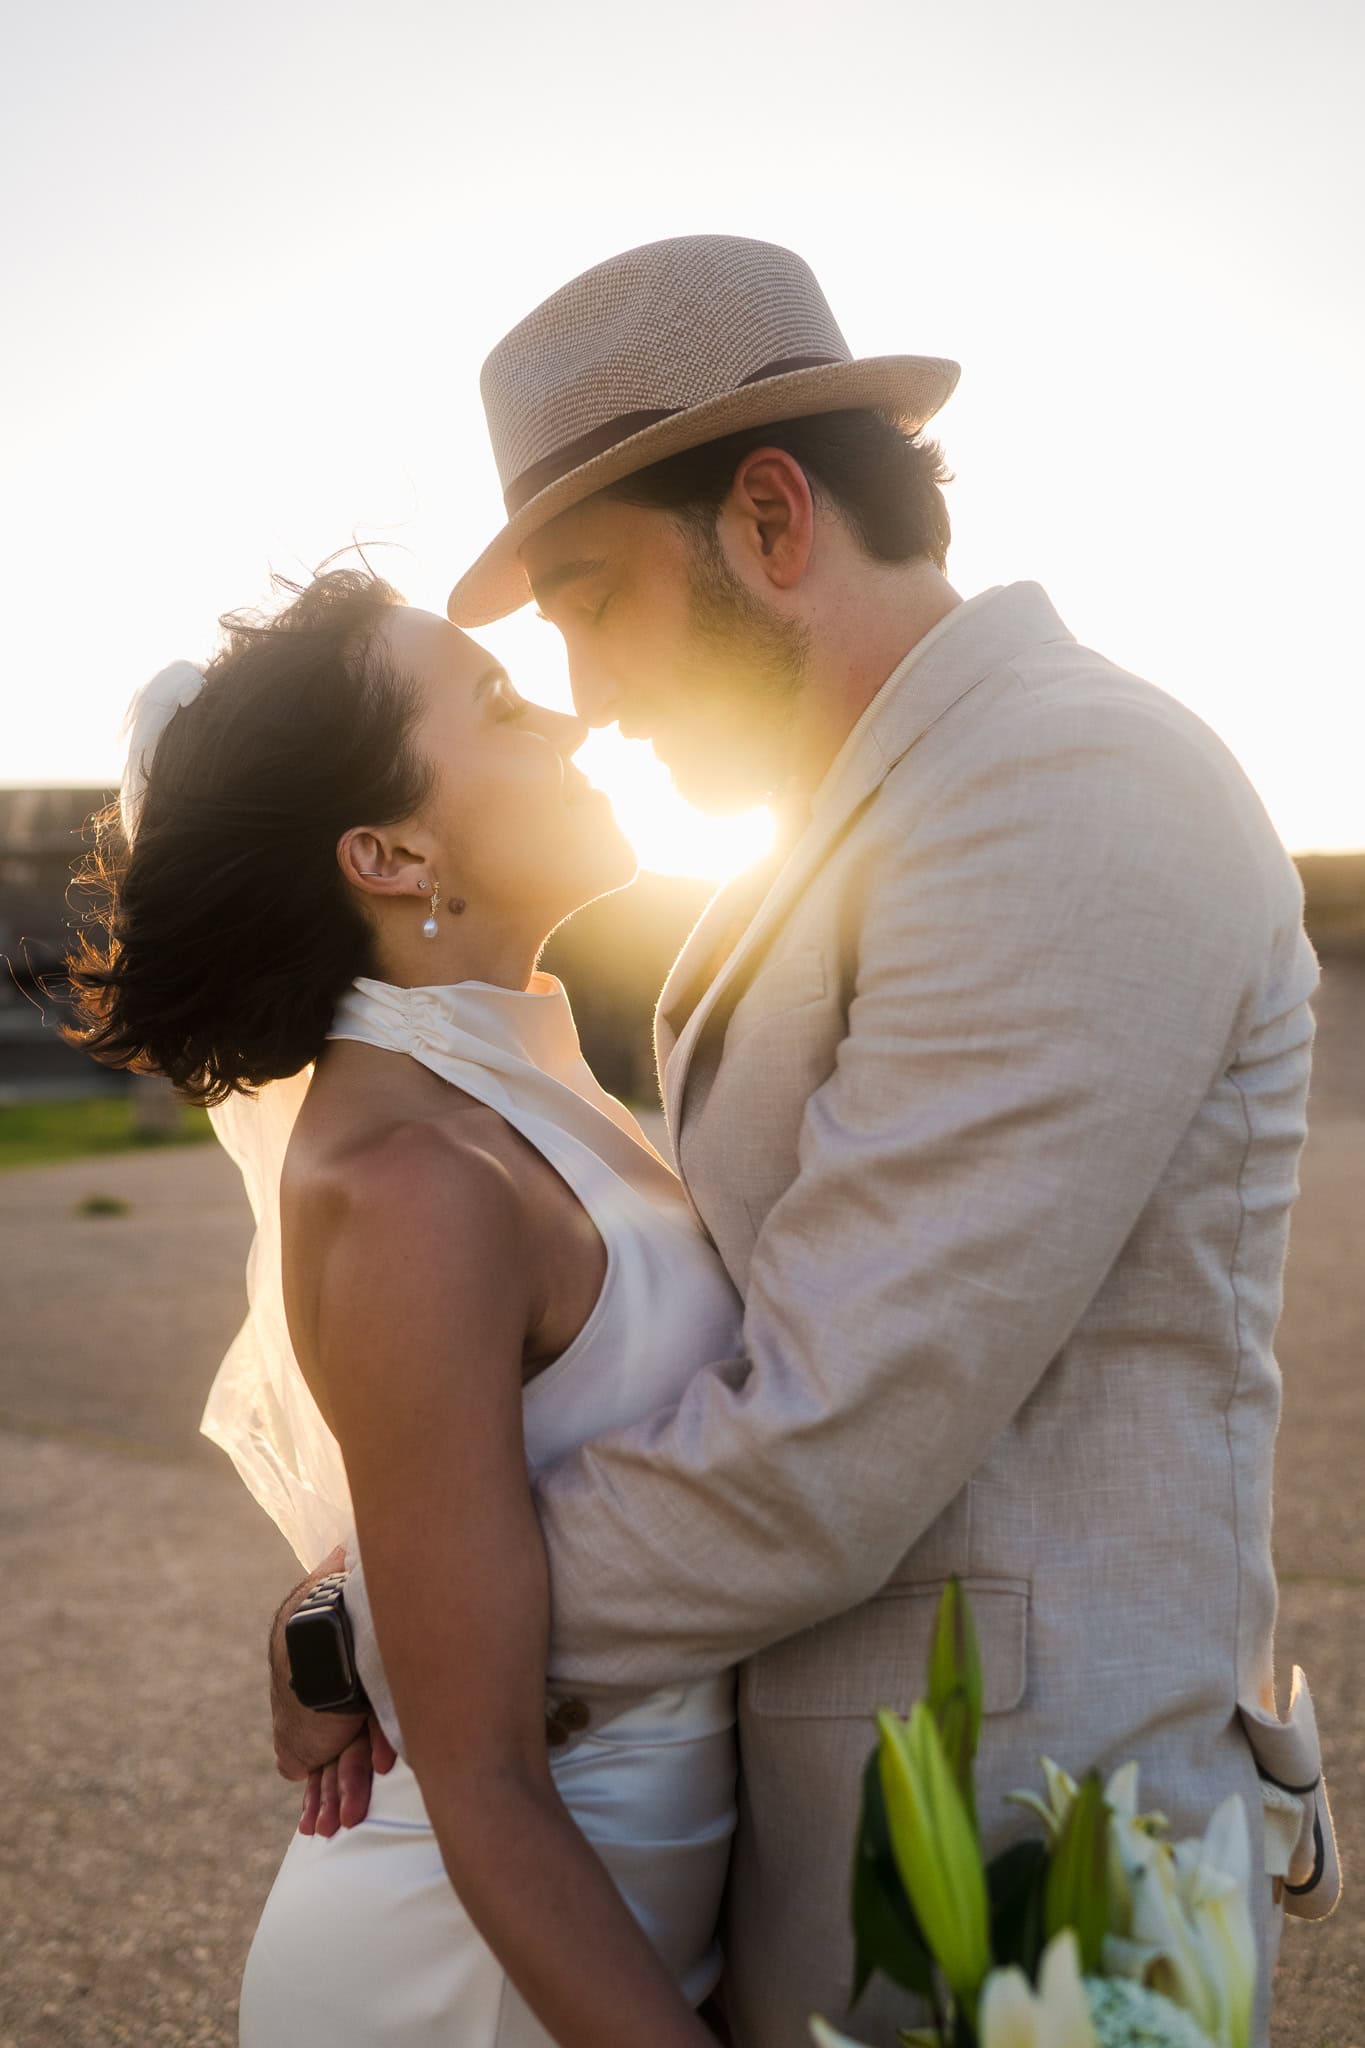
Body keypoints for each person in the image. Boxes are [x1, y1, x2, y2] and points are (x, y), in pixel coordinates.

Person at [290, 235, 1340, 2047]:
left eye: (594, 604)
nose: (592, 700)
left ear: (772, 521)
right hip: (843, 1848)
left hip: (1024, 1862)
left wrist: (391, 1639)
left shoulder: (1068, 786)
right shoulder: (849, 835)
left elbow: (828, 1437)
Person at [66, 569, 748, 2048]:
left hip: (607, 1925)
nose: (567, 717)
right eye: (500, 707)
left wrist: (330, 1604)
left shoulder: (505, 1091)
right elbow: (484, 1783)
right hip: (482, 1975)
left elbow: (458, 1489)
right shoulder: (415, 1181)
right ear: (388, 852)